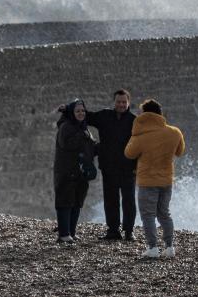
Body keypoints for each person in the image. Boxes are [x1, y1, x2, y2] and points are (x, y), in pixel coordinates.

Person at [124, 98, 186, 259]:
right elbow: (180, 152)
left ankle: (152, 248)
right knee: (164, 214)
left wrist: (134, 133)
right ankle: (169, 247)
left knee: (148, 215)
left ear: (144, 114)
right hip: (166, 180)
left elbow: (129, 153)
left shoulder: (141, 135)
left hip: (147, 182)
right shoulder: (174, 132)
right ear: (160, 113)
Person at [85, 89, 138, 241]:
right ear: (114, 102)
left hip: (128, 168)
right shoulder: (104, 116)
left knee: (129, 201)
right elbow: (85, 117)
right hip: (109, 167)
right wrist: (68, 110)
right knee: (111, 200)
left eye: (124, 102)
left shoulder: (134, 121)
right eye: (118, 102)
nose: (121, 104)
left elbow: (142, 143)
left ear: (128, 103)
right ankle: (113, 231)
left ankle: (129, 231)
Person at [53, 99, 97, 243]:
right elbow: (66, 144)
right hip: (67, 171)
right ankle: (64, 234)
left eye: (83, 111)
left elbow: (89, 147)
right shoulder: (66, 127)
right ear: (72, 113)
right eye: (77, 111)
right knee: (65, 202)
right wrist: (83, 137)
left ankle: (72, 232)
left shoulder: (83, 128)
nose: (81, 113)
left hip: (80, 172)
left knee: (77, 202)